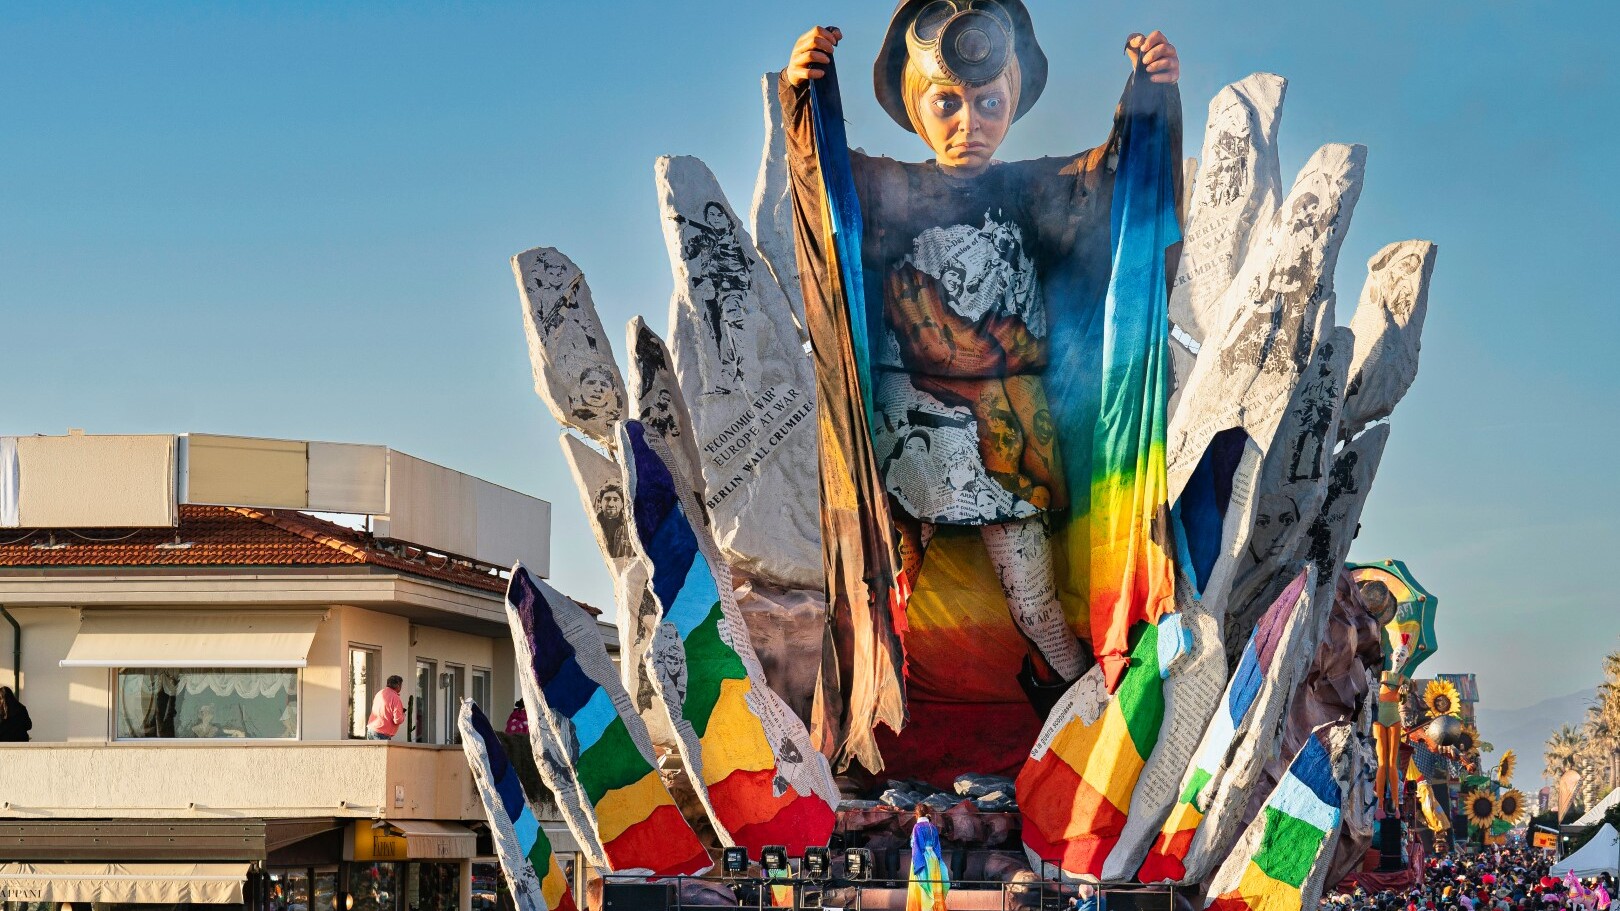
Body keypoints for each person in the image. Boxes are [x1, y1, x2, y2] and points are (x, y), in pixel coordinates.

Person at [781, 0, 1182, 743]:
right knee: (878, 593)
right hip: (908, 428)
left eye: (989, 102)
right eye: (949, 103)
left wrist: (1147, 101)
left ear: (1015, 98)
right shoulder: (886, 188)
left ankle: (1093, 729)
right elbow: (824, 187)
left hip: (1010, 431)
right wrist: (807, 98)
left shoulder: (1038, 188)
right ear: (916, 103)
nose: (970, 121)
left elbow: (1116, 184)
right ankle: (857, 742)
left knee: (1036, 608)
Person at [907, 804, 948, 911]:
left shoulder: (917, 827)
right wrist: (938, 860)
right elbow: (937, 845)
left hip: (922, 858)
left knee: (921, 886)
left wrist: (917, 863)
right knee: (933, 885)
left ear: (916, 814)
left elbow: (916, 845)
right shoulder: (933, 827)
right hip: (933, 859)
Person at [366, 675, 406, 741]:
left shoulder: (380, 693)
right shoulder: (395, 698)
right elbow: (397, 720)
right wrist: (403, 715)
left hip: (371, 729)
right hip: (382, 733)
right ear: (398, 685)